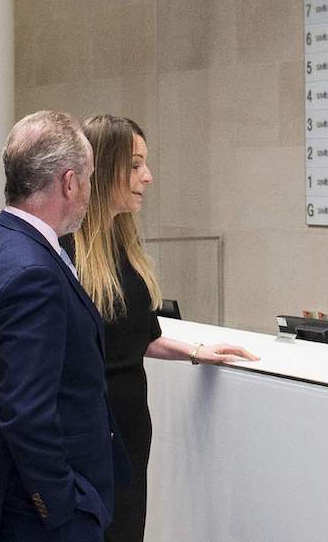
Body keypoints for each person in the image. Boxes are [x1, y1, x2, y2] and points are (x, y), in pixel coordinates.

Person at [61, 115, 256, 542]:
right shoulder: (66, 253)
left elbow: (140, 336)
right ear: (104, 168)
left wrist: (194, 351)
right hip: (90, 430)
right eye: (135, 165)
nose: (147, 177)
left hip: (131, 425)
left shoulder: (124, 245)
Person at [0, 110, 126, 542]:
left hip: (11, 500)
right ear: (69, 183)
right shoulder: (33, 271)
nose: (89, 192)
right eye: (89, 178)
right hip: (36, 517)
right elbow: (27, 413)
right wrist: (62, 508)